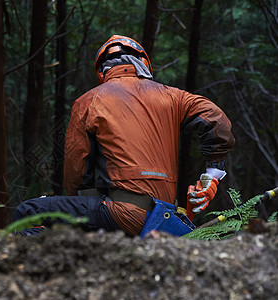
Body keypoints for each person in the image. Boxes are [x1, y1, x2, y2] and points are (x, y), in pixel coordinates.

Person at [13, 35, 235, 236]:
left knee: (29, 211)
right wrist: (212, 174)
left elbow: (77, 170)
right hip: (164, 219)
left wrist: (76, 205)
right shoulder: (174, 97)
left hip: (121, 215)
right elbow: (216, 119)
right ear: (144, 63)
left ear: (102, 72)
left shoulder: (89, 101)